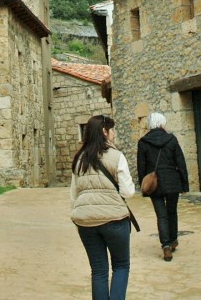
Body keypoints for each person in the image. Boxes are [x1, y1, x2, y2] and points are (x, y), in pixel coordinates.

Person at [70, 114, 135, 300]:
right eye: (112, 130)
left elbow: (74, 195)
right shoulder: (116, 156)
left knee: (98, 270)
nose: (114, 134)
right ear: (105, 132)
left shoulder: (79, 159)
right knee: (121, 265)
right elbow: (128, 192)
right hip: (114, 219)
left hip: (85, 222)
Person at [137, 111, 189, 261]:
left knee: (161, 215)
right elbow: (181, 163)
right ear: (162, 123)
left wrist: (143, 186)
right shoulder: (171, 139)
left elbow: (141, 166)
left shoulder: (143, 142)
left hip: (154, 184)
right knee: (172, 212)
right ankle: (173, 240)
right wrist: (184, 184)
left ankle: (166, 246)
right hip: (172, 181)